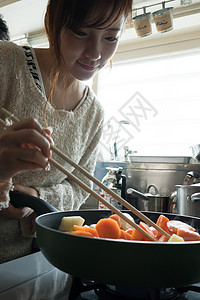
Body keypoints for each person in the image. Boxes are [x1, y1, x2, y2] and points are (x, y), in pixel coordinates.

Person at [0, 0, 132, 263]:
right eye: (81, 33)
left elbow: (78, 189)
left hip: (35, 265)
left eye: (110, 37)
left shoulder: (94, 112)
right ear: (52, 22)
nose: (95, 53)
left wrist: (37, 199)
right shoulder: (6, 63)